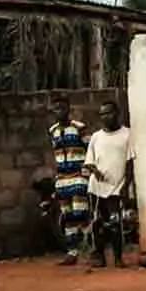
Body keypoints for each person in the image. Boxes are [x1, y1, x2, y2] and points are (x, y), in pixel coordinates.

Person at [84, 101, 135, 268]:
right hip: (96, 188)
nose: (106, 117)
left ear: (117, 113)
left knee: (115, 224)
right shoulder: (96, 137)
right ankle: (98, 255)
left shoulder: (127, 135)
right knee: (97, 222)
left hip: (116, 188)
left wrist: (125, 186)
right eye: (103, 114)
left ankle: (118, 257)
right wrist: (95, 171)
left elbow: (129, 164)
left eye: (109, 113)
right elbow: (89, 162)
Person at [48, 96, 90, 266]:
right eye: (56, 108)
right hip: (62, 179)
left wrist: (87, 173)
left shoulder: (79, 128)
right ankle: (72, 252)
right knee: (68, 216)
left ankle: (88, 249)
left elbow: (89, 149)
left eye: (62, 108)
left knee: (82, 213)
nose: (60, 111)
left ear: (68, 109)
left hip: (78, 176)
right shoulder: (53, 131)